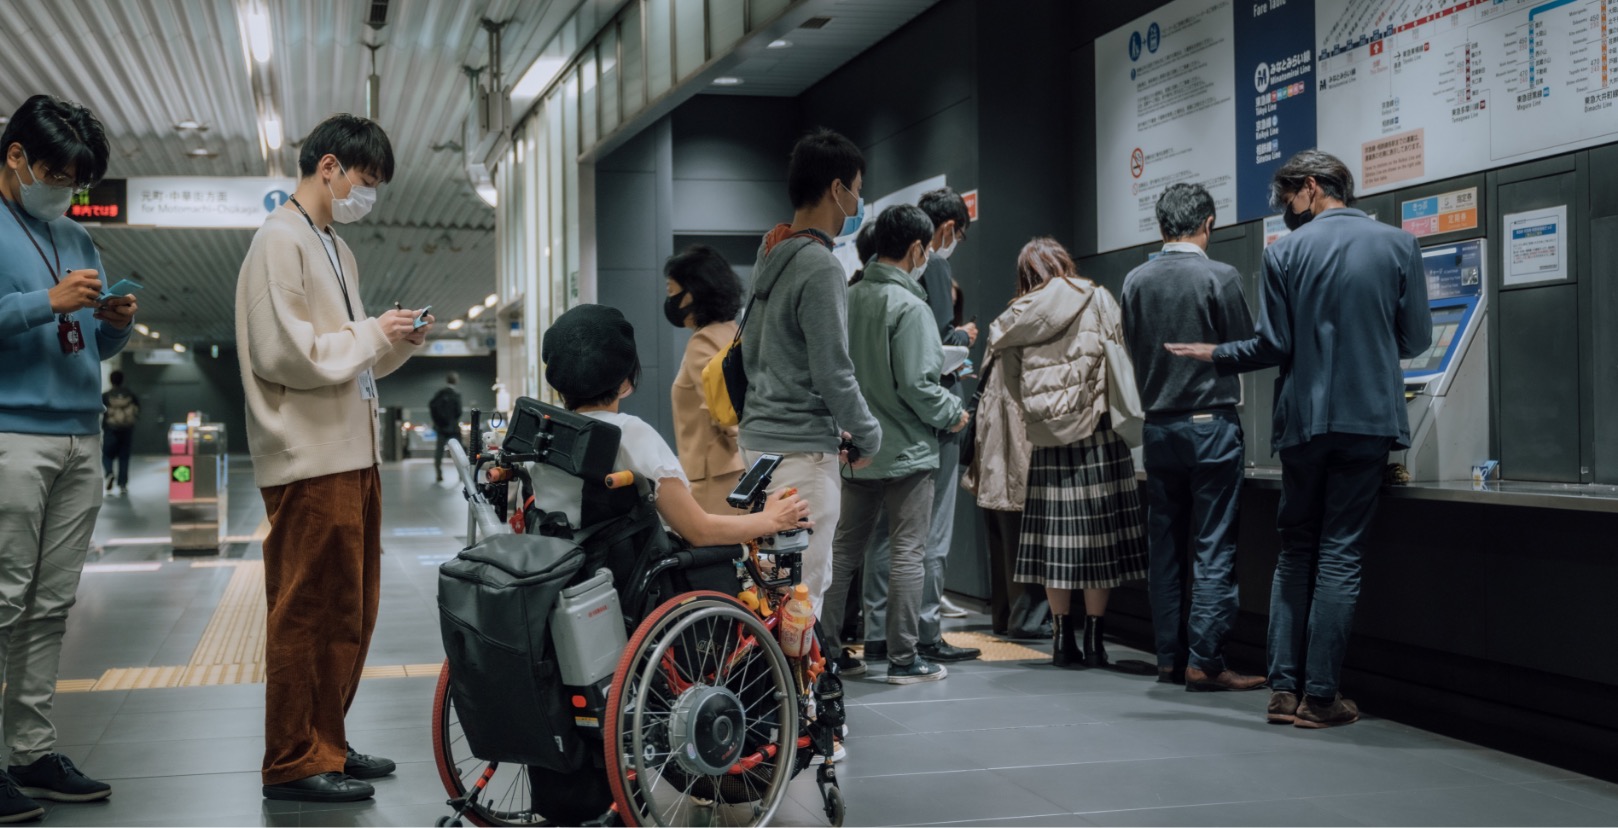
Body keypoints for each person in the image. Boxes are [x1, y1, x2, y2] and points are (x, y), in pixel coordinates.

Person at [1167, 150, 1430, 728]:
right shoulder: (1398, 244)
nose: (1287, 211)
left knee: (1296, 551)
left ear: (1311, 187)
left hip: (1302, 425)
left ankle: (1283, 692)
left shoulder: (1285, 254)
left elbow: (1273, 346)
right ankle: (1321, 697)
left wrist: (1217, 354)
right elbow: (1414, 340)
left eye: (1287, 198)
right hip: (1367, 422)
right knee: (1340, 553)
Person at [236, 114, 431, 803]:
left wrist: (395, 338)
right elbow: (289, 353)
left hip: (352, 450)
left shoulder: (334, 249)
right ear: (328, 166)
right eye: (363, 180)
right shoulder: (278, 242)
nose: (365, 194)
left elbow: (350, 355)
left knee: (350, 609)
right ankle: (293, 758)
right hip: (309, 456)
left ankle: (329, 741)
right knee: (307, 609)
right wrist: (372, 332)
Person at [0, 94, 129, 820]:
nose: (66, 190)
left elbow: (94, 346)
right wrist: (44, 302)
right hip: (11, 434)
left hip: (81, 433)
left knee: (50, 606)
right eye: (55, 172)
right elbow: (33, 315)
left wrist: (113, 324)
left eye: (77, 180)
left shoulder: (77, 237)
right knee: (1, 599)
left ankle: (31, 750)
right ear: (16, 155)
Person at [1121, 183, 1265, 692]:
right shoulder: (1219, 276)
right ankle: (1205, 660)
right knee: (1212, 544)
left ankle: (1167, 658)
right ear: (1208, 224)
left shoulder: (1134, 281)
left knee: (1164, 546)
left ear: (1162, 227)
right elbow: (1248, 345)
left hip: (1158, 427)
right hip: (1211, 427)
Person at [819, 205, 968, 684]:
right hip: (907, 451)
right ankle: (905, 658)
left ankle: (828, 652)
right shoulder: (911, 306)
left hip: (856, 450)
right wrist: (954, 413)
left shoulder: (847, 297)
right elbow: (919, 386)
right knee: (908, 552)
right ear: (918, 248)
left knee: (843, 554)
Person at [739, 128, 882, 619]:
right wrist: (868, 434)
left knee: (771, 590)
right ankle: (794, 697)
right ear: (837, 190)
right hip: (802, 454)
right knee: (803, 597)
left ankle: (771, 692)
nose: (858, 202)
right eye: (857, 191)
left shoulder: (771, 253)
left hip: (759, 445)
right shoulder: (819, 265)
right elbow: (833, 370)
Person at [990, 237, 1150, 669]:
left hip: (1048, 443)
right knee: (1098, 542)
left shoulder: (1018, 315)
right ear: (1064, 263)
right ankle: (1095, 639)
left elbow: (1010, 382)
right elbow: (1119, 352)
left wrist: (1040, 416)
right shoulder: (1096, 297)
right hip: (1098, 434)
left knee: (1054, 544)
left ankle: (1061, 640)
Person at [537, 303, 810, 544]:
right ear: (625, 379)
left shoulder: (542, 435)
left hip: (563, 576)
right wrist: (773, 519)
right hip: (626, 584)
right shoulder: (629, 434)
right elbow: (700, 531)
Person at [859, 187, 981, 665]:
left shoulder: (856, 294)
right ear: (938, 234)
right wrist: (954, 410)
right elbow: (921, 368)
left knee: (878, 540)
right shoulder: (924, 279)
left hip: (873, 431)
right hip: (926, 426)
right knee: (926, 537)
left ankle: (876, 631)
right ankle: (919, 637)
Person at [961, 273, 1047, 642]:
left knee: (1002, 533)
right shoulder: (1040, 324)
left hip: (992, 439)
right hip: (1022, 440)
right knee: (1028, 533)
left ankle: (1005, 616)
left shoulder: (1004, 321)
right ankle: (1028, 621)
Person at [663, 245, 746, 514]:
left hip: (713, 478)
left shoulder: (703, 341)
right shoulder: (733, 331)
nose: (670, 299)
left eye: (672, 291)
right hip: (733, 469)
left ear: (695, 293)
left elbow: (724, 410)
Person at [102, 370, 140, 495]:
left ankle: (109, 473)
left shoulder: (106, 395)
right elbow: (137, 410)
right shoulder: (130, 394)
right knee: (124, 457)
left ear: (111, 380)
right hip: (127, 430)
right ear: (122, 380)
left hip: (110, 429)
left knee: (107, 455)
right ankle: (123, 484)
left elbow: (101, 412)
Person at [429, 373, 463, 483]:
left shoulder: (440, 393)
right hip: (453, 428)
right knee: (459, 452)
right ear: (456, 381)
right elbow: (459, 412)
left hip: (441, 428)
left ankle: (438, 474)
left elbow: (432, 405)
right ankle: (461, 475)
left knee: (439, 452)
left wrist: (439, 422)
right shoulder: (456, 394)